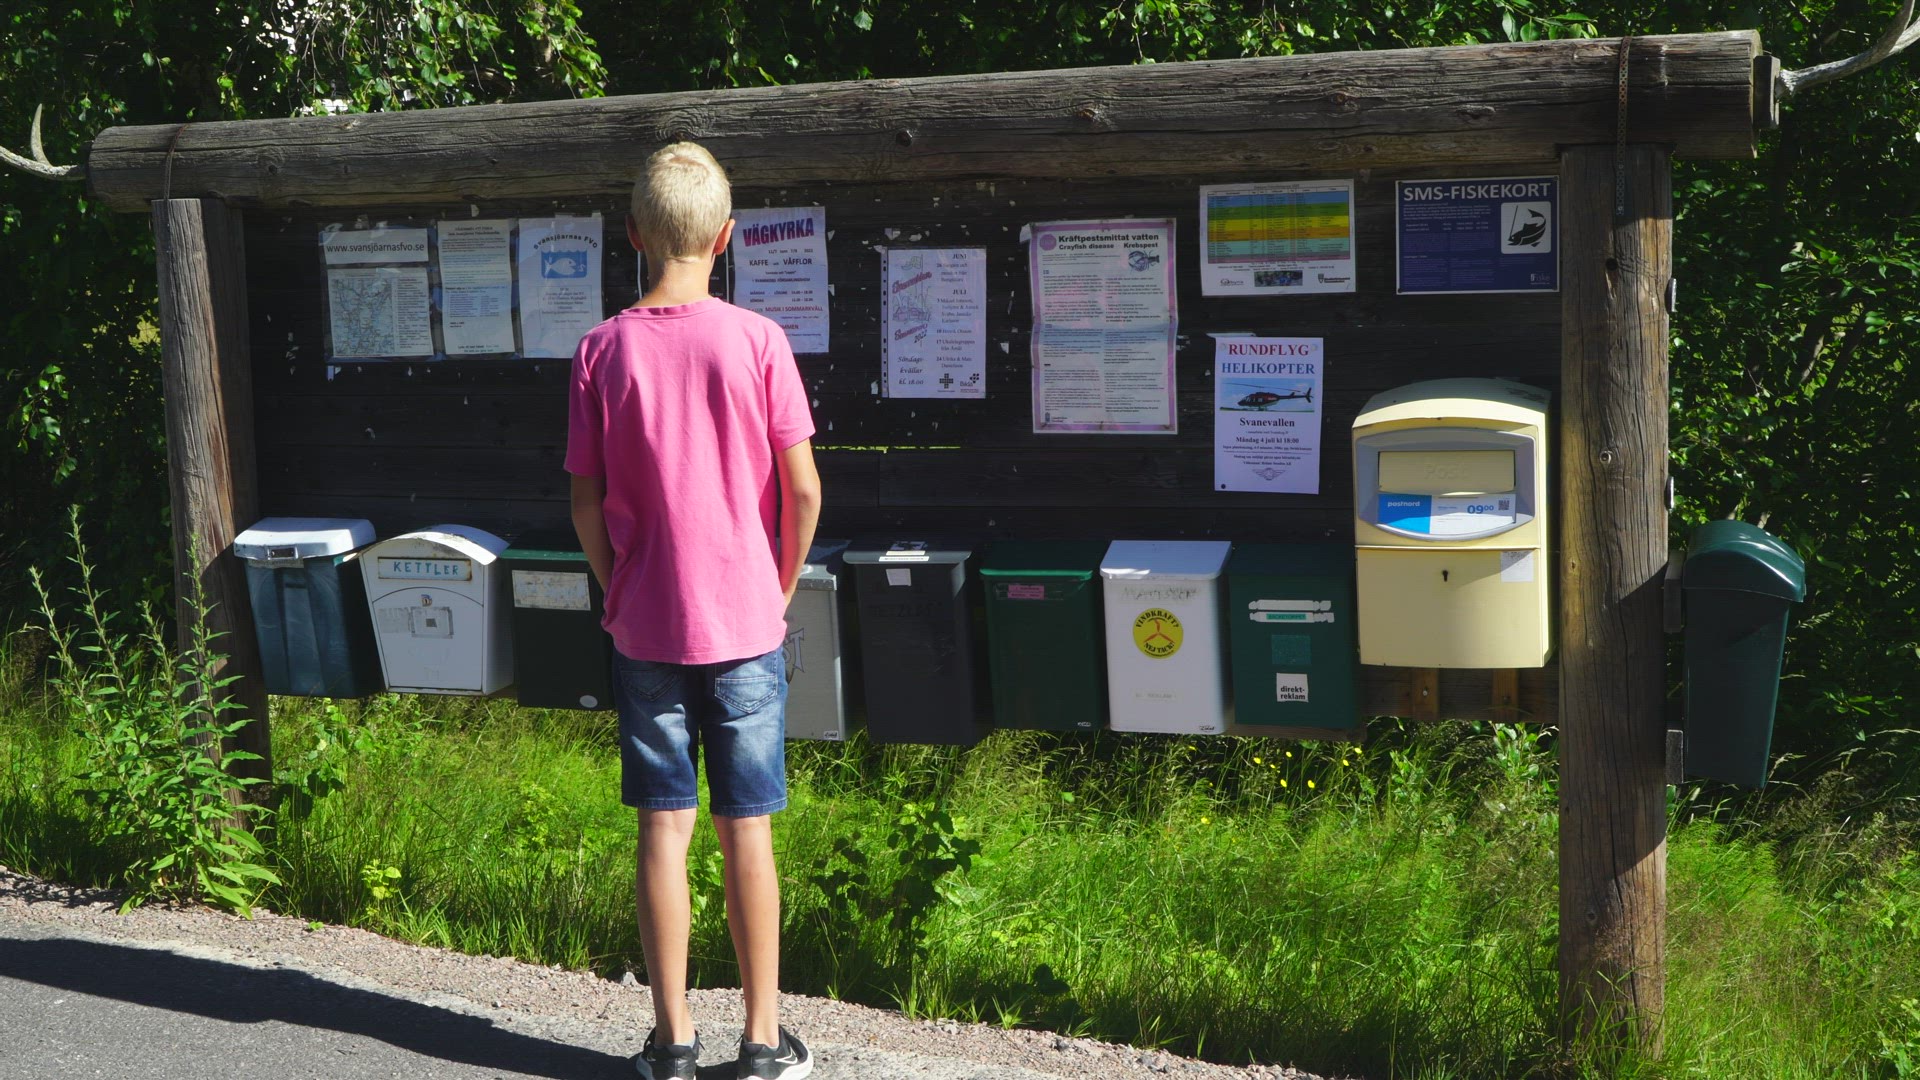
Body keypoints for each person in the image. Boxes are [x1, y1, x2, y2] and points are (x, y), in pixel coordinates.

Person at [567, 141, 821, 1080]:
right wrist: (778, 584)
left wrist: (616, 585)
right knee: (746, 828)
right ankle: (762, 1041)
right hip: (746, 622)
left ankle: (672, 1042)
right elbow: (804, 492)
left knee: (662, 827)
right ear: (726, 238)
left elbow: (585, 501)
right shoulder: (759, 340)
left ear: (634, 235)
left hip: (646, 624)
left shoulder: (601, 349)